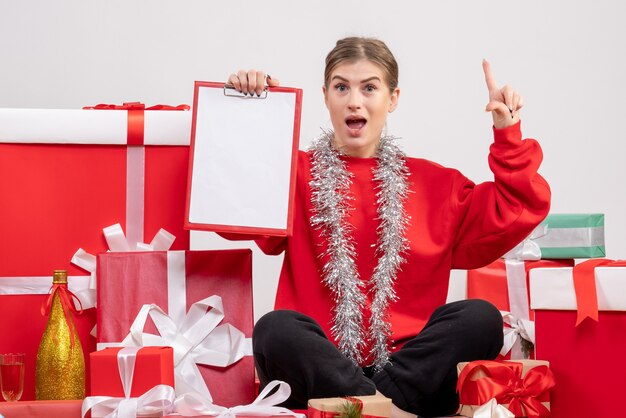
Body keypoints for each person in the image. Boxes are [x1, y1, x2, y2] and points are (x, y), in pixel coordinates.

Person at [224, 37, 550, 417]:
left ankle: (370, 407)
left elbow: (517, 207)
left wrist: (507, 131)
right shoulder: (292, 174)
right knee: (275, 329)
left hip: (411, 368)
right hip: (319, 367)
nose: (354, 101)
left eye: (370, 88)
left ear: (392, 99)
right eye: (341, 86)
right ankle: (390, 410)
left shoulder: (436, 184)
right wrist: (253, 113)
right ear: (325, 96)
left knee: (481, 318)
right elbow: (228, 200)